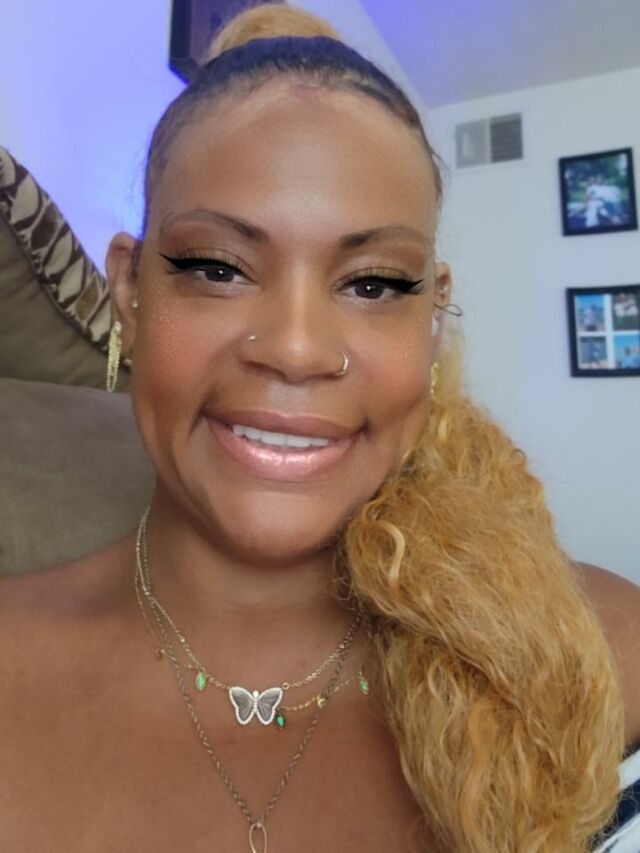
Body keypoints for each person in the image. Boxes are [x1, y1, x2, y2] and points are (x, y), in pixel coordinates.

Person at [1, 6, 639, 852]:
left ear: (433, 314)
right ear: (130, 291)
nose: (297, 349)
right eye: (218, 268)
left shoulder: (600, 648)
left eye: (374, 284)